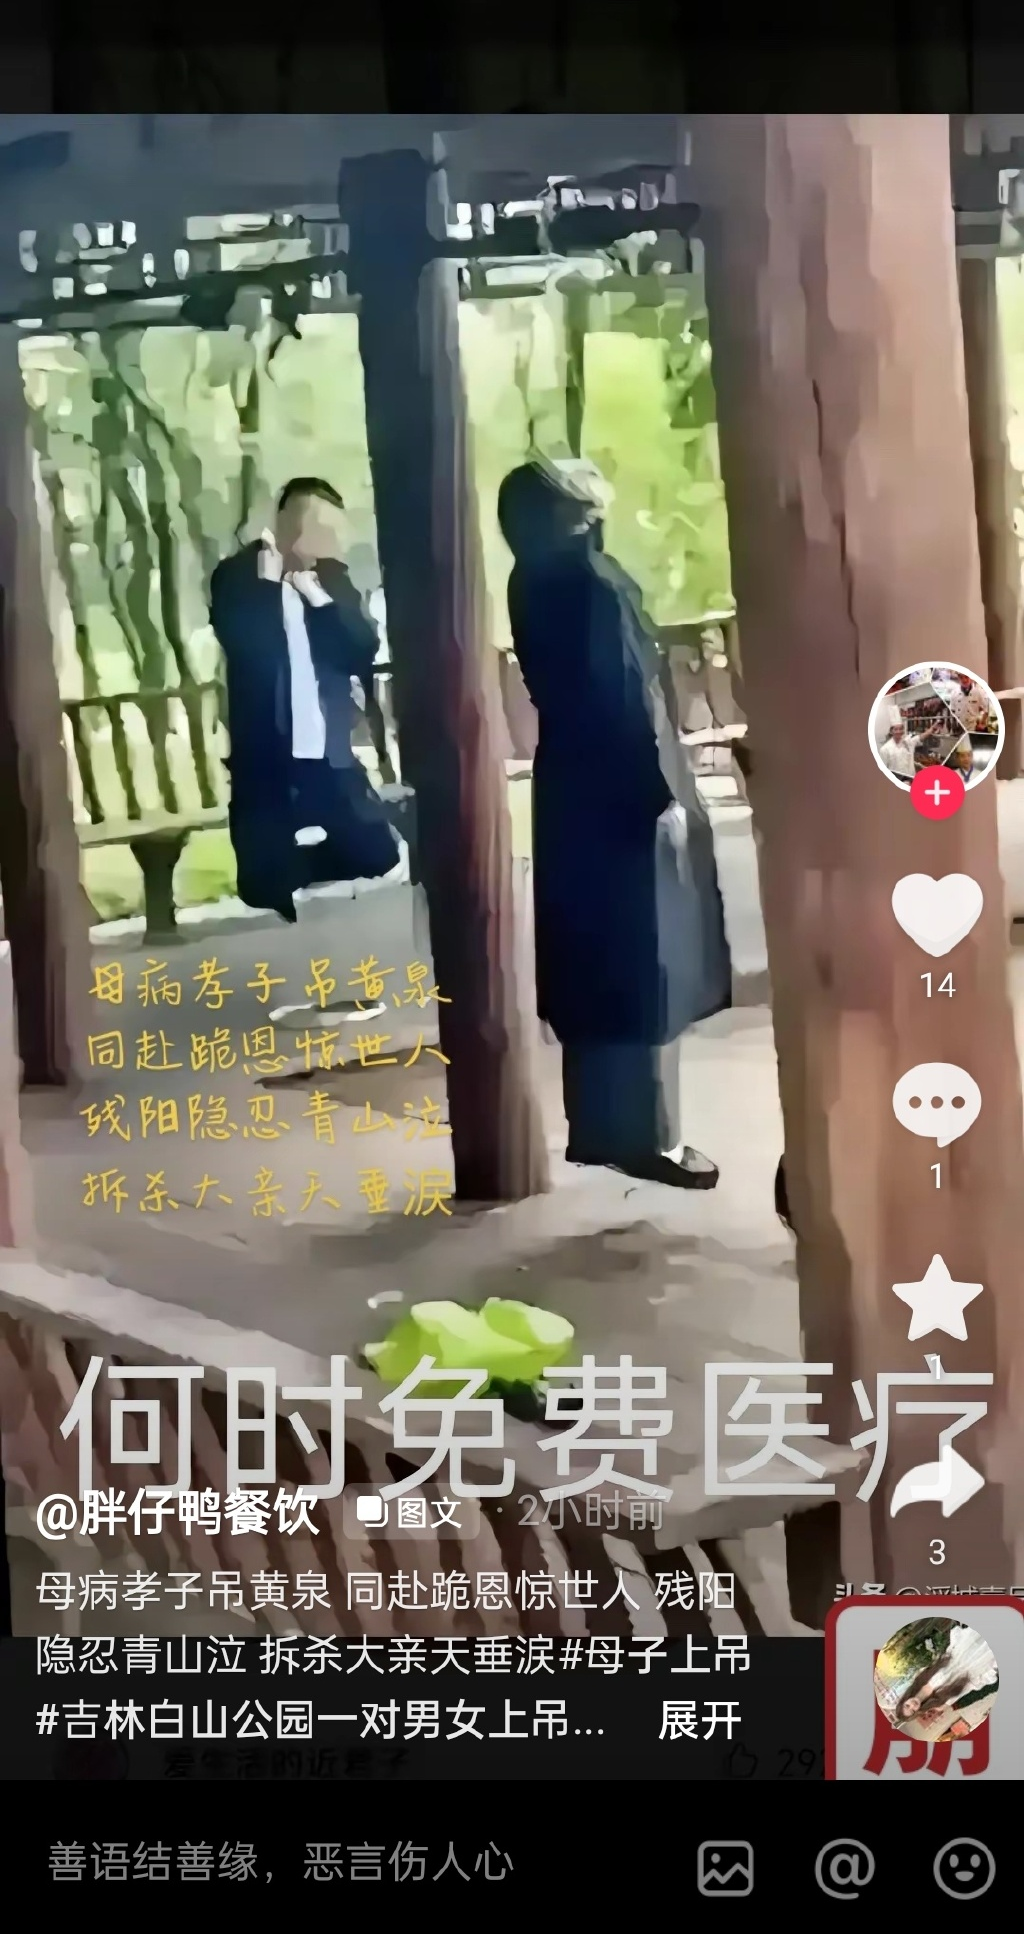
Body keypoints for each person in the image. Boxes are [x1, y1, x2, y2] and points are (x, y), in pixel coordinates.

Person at [497, 458, 730, 1188]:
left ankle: (598, 1127)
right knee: (644, 964)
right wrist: (660, 794)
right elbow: (626, 693)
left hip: (572, 786)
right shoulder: (591, 582)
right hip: (623, 788)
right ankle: (650, 1136)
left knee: (596, 966)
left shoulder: (531, 576)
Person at [210, 479, 399, 923]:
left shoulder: (332, 577)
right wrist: (268, 586)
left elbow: (362, 647)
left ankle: (296, 869)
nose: (326, 540)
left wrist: (317, 597)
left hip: (328, 755)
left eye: (330, 530)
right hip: (267, 757)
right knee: (258, 887)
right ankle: (276, 872)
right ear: (285, 523)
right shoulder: (238, 575)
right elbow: (241, 641)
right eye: (316, 527)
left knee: (379, 853)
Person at [878, 712, 917, 780]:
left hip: (911, 780)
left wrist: (932, 728)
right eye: (896, 729)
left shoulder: (907, 743)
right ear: (891, 731)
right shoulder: (885, 749)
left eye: (900, 729)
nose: (898, 731)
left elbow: (920, 738)